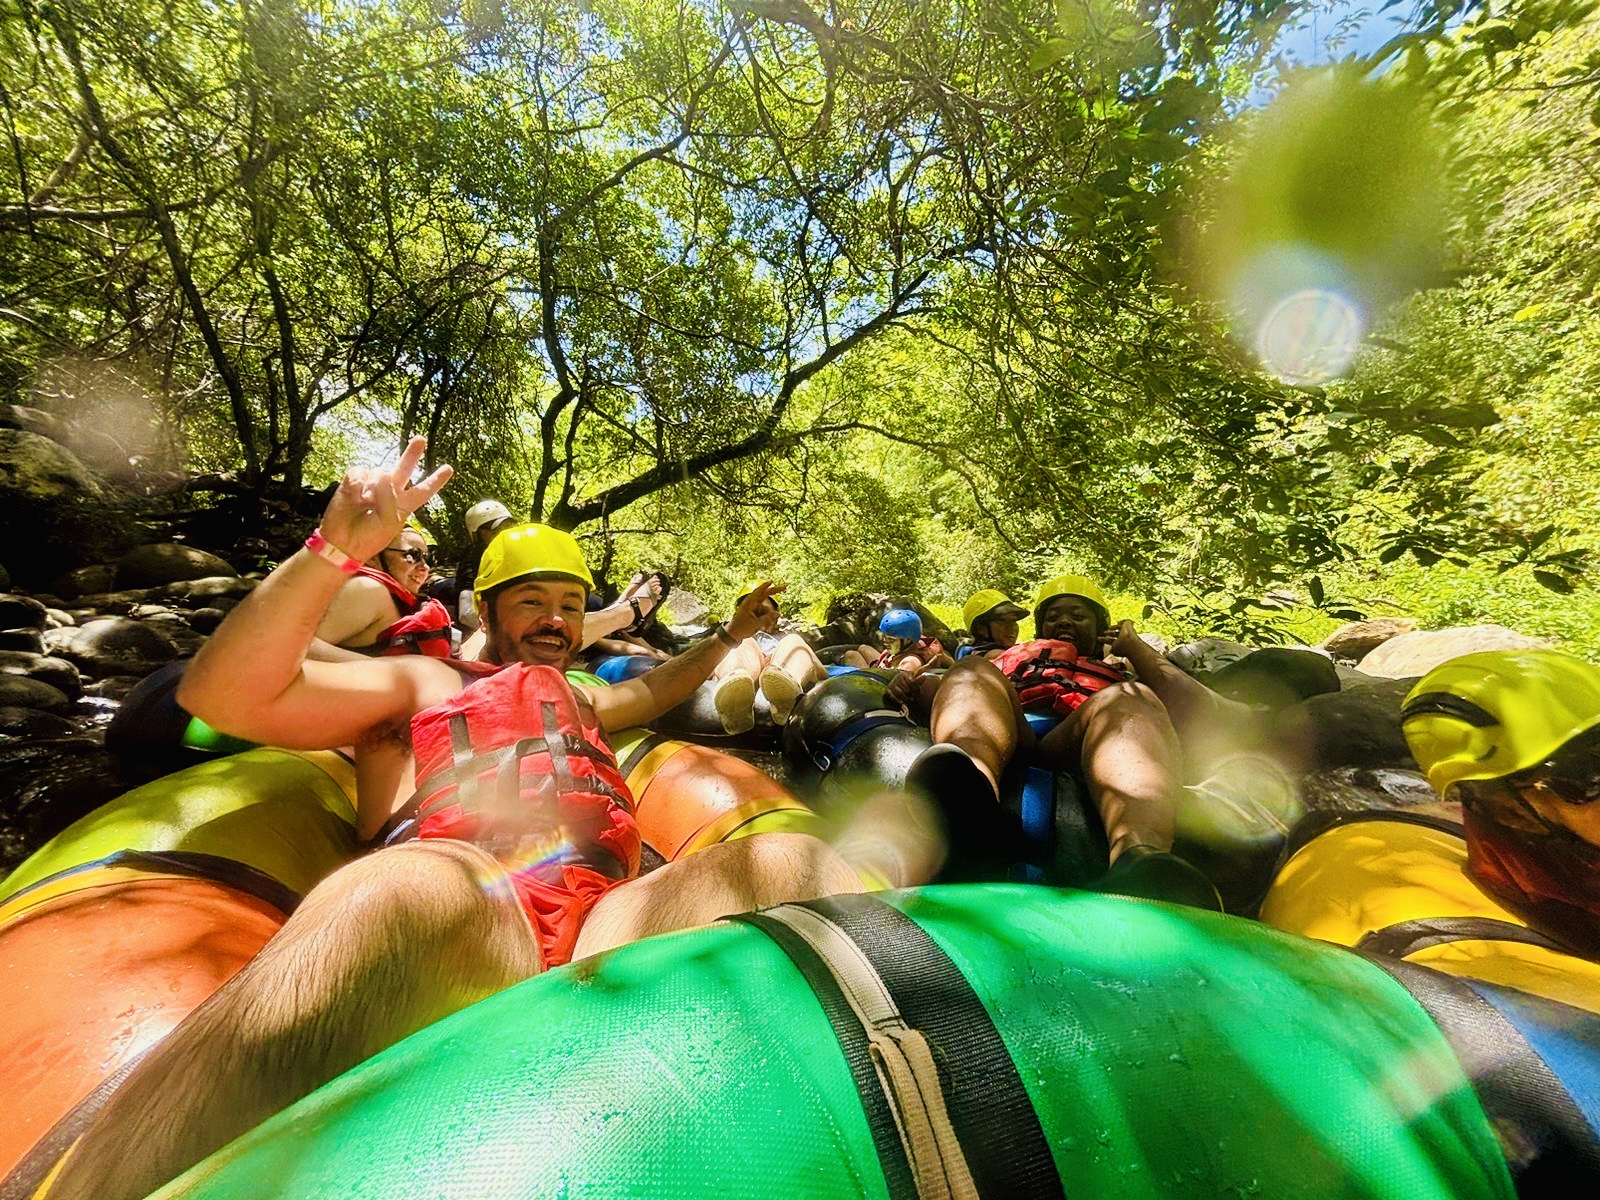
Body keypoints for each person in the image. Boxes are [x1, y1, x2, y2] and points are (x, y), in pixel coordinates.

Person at [49, 440, 869, 1200]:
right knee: (394, 893)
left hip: (609, 915)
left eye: (570, 604)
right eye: (532, 601)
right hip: (465, 910)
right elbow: (218, 694)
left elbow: (655, 690)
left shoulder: (583, 700)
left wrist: (731, 634)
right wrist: (335, 550)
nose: (554, 618)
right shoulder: (423, 682)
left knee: (789, 863)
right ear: (487, 611)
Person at [901, 573, 1219, 905]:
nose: (1065, 621)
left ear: (1100, 628)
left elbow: (1193, 710)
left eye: (1078, 615)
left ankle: (1140, 860)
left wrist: (1132, 644)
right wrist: (911, 688)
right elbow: (951, 691)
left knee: (1131, 695)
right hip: (1012, 730)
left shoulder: (1120, 668)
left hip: (1082, 739)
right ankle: (971, 812)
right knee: (970, 670)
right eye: (1053, 616)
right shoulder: (1006, 657)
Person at [310, 523, 454, 659]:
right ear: (373, 556)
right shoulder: (368, 589)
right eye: (413, 555)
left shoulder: (399, 598)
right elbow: (303, 646)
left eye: (427, 558)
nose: (425, 567)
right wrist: (395, 670)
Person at [710, 582, 831, 732]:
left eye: (761, 611)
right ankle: (734, 692)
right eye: (749, 611)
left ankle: (784, 690)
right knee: (742, 643)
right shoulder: (734, 641)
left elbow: (822, 673)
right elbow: (706, 665)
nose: (754, 617)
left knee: (793, 641)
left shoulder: (786, 640)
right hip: (746, 664)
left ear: (776, 615)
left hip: (783, 667)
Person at [956, 589, 1028, 659]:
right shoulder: (992, 656)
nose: (1012, 628)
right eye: (1002, 621)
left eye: (1014, 621)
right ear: (980, 628)